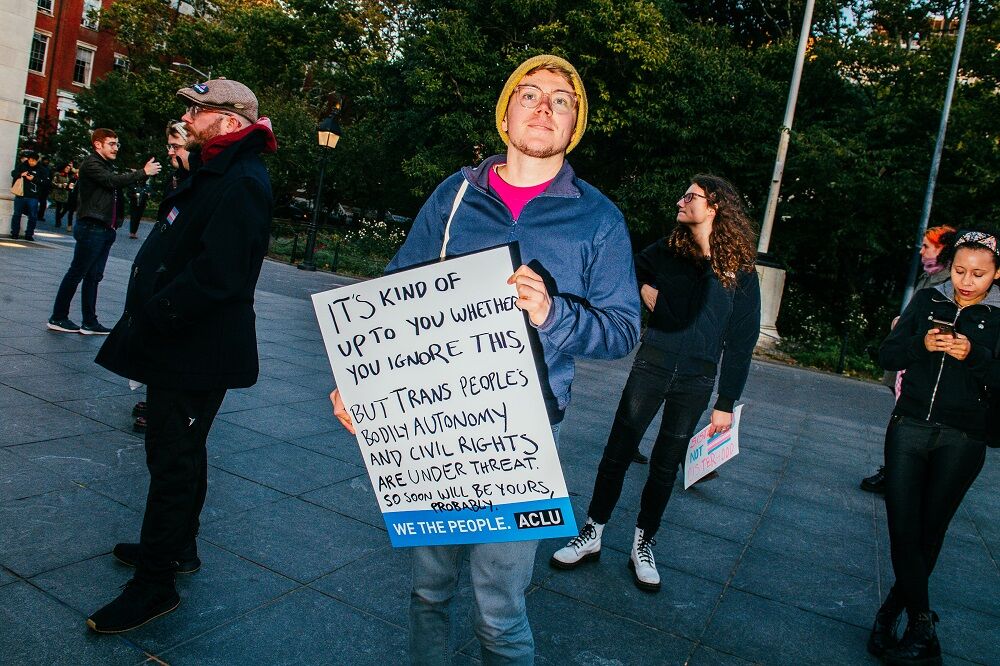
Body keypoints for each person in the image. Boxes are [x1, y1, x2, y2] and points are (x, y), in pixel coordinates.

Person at [330, 54, 641, 664]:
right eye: (529, 94)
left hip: (523, 436)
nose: (544, 106)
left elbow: (623, 329)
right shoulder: (454, 195)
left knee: (500, 611)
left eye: (561, 98)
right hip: (432, 420)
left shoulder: (599, 219)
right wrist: (358, 383)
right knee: (428, 590)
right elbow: (395, 290)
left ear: (574, 122)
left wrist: (555, 313)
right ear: (507, 114)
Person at [88, 78, 276, 634]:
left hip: (194, 347)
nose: (188, 120)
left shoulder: (241, 179)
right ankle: (177, 548)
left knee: (171, 461)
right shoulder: (217, 171)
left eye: (199, 110)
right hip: (182, 343)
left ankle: (155, 583)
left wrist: (155, 317)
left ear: (230, 121)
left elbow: (219, 276)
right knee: (181, 451)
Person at [550, 174, 761, 593]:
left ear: (715, 207)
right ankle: (592, 532)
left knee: (665, 465)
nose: (681, 202)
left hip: (698, 378)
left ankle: (643, 544)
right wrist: (645, 290)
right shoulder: (668, 251)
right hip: (653, 364)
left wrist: (726, 401)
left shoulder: (739, 270)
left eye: (691, 197)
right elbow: (621, 272)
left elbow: (742, 341)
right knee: (618, 452)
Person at [868, 230, 1000, 665]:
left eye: (978, 274)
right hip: (909, 427)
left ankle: (889, 617)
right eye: (960, 270)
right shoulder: (928, 301)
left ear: (995, 275)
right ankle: (923, 626)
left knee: (928, 532)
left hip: (963, 439)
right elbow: (886, 354)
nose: (966, 281)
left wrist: (974, 355)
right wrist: (920, 346)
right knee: (903, 529)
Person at [861, 224, 957, 494]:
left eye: (928, 245)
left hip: (922, 362)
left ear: (942, 249)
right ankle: (897, 471)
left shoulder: (947, 281)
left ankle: (901, 474)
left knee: (910, 420)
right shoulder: (931, 276)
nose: (922, 250)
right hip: (909, 355)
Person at [47, 130, 161, 334]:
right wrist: (143, 172)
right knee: (77, 273)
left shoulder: (106, 165)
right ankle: (58, 317)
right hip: (92, 226)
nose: (116, 147)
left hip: (104, 227)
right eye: (111, 144)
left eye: (117, 144)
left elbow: (114, 184)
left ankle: (89, 322)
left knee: (94, 276)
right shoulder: (92, 163)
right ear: (98, 145)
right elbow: (111, 181)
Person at [131, 121, 195, 435]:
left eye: (175, 146)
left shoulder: (196, 181)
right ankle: (152, 396)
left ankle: (159, 401)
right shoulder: (177, 178)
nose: (169, 151)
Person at [9, 150, 42, 240]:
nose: (31, 162)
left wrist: (33, 179)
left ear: (37, 161)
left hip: (33, 196)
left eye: (34, 161)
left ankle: (29, 234)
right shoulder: (22, 166)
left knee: (33, 216)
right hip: (20, 194)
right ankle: (14, 233)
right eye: (30, 160)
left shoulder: (41, 169)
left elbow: (45, 182)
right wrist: (21, 174)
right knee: (17, 214)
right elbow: (13, 173)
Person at [51, 162, 73, 228]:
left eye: (69, 168)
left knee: (66, 208)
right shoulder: (57, 174)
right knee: (59, 207)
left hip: (65, 193)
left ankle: (59, 218)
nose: (67, 169)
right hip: (58, 192)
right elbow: (53, 182)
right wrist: (60, 185)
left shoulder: (68, 175)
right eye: (66, 168)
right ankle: (57, 221)